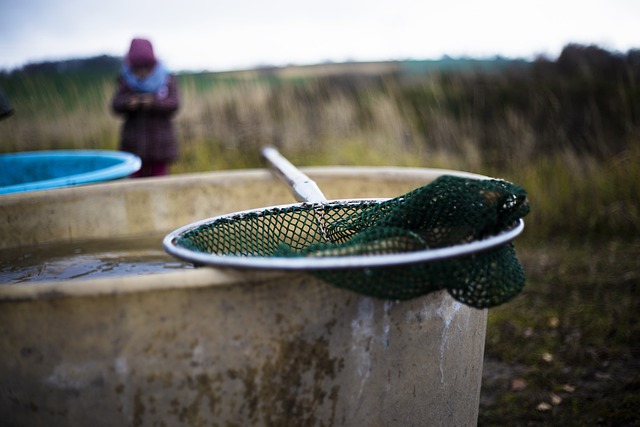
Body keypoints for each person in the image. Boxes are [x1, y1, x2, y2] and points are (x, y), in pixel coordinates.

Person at [111, 38, 179, 177]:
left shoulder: (166, 79)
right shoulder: (125, 81)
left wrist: (154, 103)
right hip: (133, 146)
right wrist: (128, 103)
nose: (142, 72)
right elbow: (115, 106)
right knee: (135, 185)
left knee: (160, 184)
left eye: (146, 68)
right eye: (137, 68)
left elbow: (175, 103)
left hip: (161, 146)